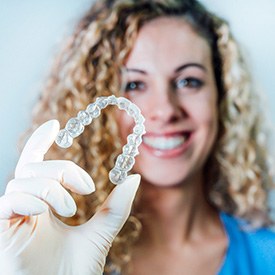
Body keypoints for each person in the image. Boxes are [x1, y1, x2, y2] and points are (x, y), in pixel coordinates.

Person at [0, 0, 274, 274]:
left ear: (221, 96)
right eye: (134, 84)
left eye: (188, 81)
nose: (165, 110)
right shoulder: (54, 248)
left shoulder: (268, 256)